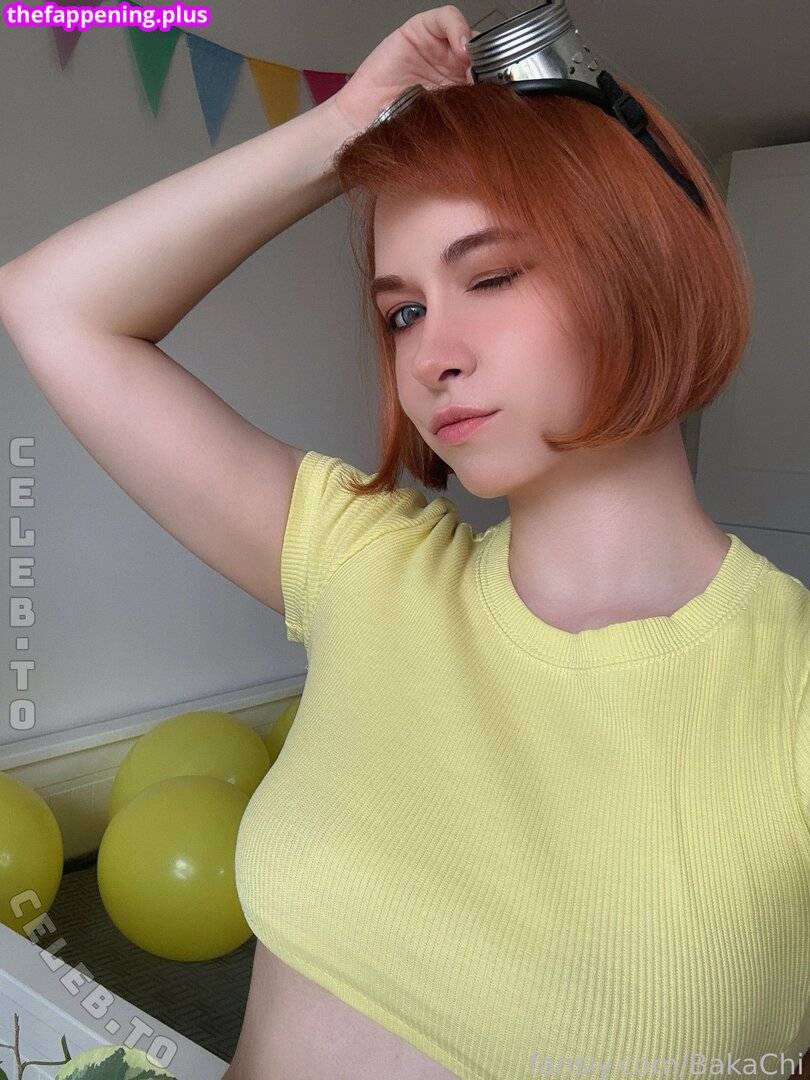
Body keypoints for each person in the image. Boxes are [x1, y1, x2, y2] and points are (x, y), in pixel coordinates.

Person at [1, 6, 809, 1080]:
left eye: (491, 276)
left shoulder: (791, 686)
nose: (429, 357)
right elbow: (52, 306)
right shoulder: (364, 560)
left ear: (644, 266)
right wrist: (342, 129)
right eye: (402, 312)